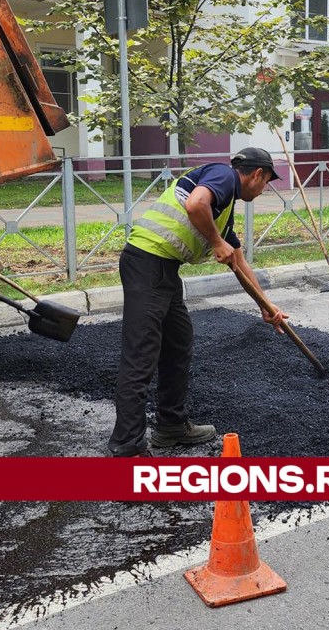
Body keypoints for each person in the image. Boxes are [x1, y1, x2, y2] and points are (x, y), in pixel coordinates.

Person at [108, 147, 287, 457]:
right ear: (257, 174)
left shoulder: (225, 206)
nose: (263, 190)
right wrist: (216, 242)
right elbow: (195, 203)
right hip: (146, 265)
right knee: (140, 356)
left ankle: (171, 425)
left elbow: (239, 263)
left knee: (178, 343)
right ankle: (128, 448)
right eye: (267, 182)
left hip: (164, 270)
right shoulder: (224, 176)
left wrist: (266, 307)